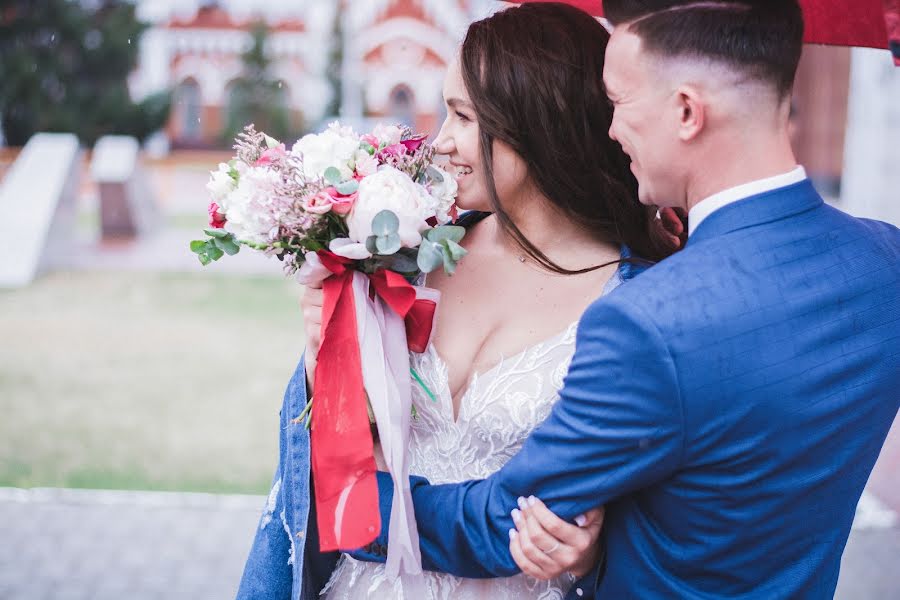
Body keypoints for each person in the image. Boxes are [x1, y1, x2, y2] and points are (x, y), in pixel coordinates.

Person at [340, 1, 900, 598]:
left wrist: (349, 499)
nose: (609, 128)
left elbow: (514, 519)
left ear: (686, 111)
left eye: (621, 102)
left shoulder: (647, 318)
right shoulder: (884, 263)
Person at [236, 3, 677, 599]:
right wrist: (324, 360)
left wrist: (591, 549)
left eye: (462, 116)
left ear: (535, 122)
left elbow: (638, 506)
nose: (440, 143)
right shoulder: (409, 255)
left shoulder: (639, 302)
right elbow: (323, 459)